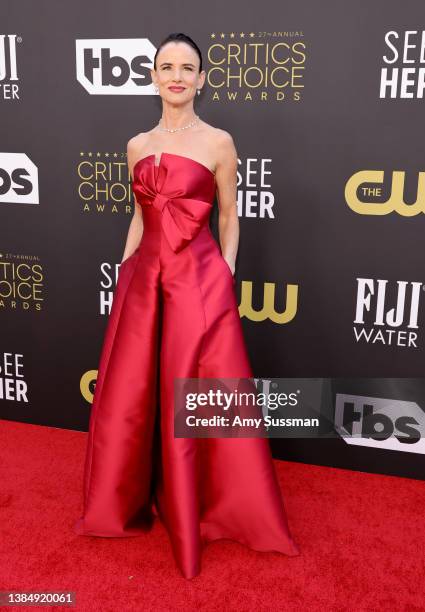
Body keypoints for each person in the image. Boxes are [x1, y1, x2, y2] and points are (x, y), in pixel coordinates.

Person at [74, 32, 300, 579]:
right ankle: (127, 501)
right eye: (166, 66)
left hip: (197, 282)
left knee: (194, 392)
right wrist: (124, 270)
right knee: (132, 394)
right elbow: (138, 215)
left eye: (187, 67)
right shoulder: (135, 145)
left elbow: (229, 215)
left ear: (202, 78)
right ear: (153, 76)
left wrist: (225, 271)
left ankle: (206, 506)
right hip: (144, 280)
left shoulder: (219, 141)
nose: (176, 75)